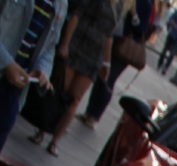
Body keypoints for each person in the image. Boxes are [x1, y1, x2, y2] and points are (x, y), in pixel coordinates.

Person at [29, 0, 127, 155]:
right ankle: (42, 131)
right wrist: (65, 43)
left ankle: (55, 141)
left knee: (74, 99)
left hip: (94, 55)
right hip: (76, 44)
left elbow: (109, 35)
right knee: (59, 91)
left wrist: (106, 62)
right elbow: (76, 16)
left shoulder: (119, 5)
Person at [0, 0, 69, 152]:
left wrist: (42, 69)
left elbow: (49, 47)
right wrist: (7, 64)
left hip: (15, 88)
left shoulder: (61, 4)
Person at [78, 0, 150, 126]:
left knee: (109, 79)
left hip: (124, 47)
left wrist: (134, 14)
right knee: (101, 74)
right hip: (111, 39)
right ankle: (89, 112)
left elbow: (142, 30)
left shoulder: (145, 4)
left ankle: (95, 116)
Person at [155, 0, 177, 72]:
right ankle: (160, 64)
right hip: (172, 34)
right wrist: (173, 24)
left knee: (172, 54)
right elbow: (170, 19)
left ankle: (165, 67)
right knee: (164, 51)